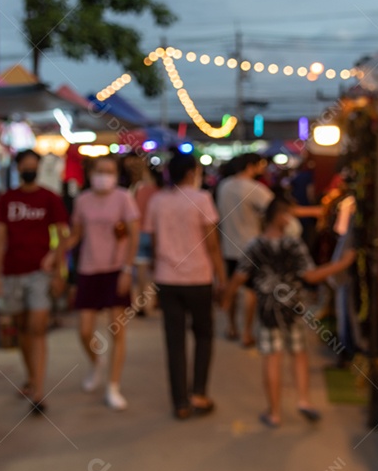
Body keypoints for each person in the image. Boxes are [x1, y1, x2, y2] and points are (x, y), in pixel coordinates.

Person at [223, 197, 356, 428]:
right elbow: (311, 276)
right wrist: (342, 264)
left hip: (267, 312)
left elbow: (239, 278)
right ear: (280, 216)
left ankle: (274, 413)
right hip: (293, 309)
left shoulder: (255, 245)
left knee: (272, 359)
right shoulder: (293, 245)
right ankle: (303, 400)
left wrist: (226, 299)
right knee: (298, 354)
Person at [144, 151, 226, 420]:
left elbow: (154, 245)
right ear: (191, 172)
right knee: (203, 335)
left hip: (168, 279)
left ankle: (180, 402)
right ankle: (199, 393)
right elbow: (212, 244)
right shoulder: (202, 199)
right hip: (199, 278)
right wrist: (221, 279)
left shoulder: (158, 201)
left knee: (174, 341)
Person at [0, 150, 70, 411]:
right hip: (12, 273)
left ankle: (38, 390)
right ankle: (31, 376)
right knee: (23, 328)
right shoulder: (7, 200)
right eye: (25, 166)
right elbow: (0, 239)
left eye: (32, 166)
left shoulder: (50, 198)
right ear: (17, 169)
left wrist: (58, 268)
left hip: (39, 272)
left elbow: (62, 236)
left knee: (37, 327)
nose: (29, 169)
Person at [62, 156, 140, 410]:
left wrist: (127, 270)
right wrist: (58, 252)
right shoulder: (82, 200)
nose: (104, 175)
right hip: (88, 269)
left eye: (109, 171)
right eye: (100, 171)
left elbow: (133, 234)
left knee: (116, 330)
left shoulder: (123, 198)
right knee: (84, 330)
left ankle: (113, 386)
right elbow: (76, 235)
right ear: (91, 173)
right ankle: (97, 363)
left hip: (116, 269)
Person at [217, 153, 273, 348]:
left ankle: (231, 327)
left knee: (232, 287)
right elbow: (275, 209)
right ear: (251, 166)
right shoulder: (255, 189)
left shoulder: (224, 186)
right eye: (260, 165)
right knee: (250, 291)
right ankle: (247, 332)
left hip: (228, 245)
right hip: (250, 247)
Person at [127, 156, 161, 315]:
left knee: (141, 270)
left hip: (139, 231)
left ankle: (141, 303)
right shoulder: (158, 189)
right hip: (156, 232)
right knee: (157, 268)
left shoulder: (135, 189)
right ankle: (157, 301)